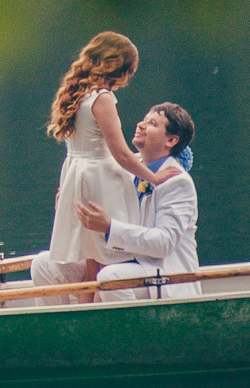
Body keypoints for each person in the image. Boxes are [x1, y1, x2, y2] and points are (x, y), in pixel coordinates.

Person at [41, 30, 172, 296]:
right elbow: (120, 153)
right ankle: (99, 309)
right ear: (118, 69)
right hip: (100, 182)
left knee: (92, 263)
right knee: (106, 259)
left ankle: (86, 310)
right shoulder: (102, 99)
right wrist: (154, 177)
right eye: (129, 72)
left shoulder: (77, 94)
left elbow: (90, 147)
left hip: (77, 175)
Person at [74, 101, 201, 297]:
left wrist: (110, 228)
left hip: (164, 273)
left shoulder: (177, 182)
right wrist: (74, 204)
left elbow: (164, 243)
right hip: (122, 258)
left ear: (171, 140)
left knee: (111, 278)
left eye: (152, 123)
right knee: (45, 265)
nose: (141, 125)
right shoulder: (127, 169)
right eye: (144, 120)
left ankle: (133, 319)